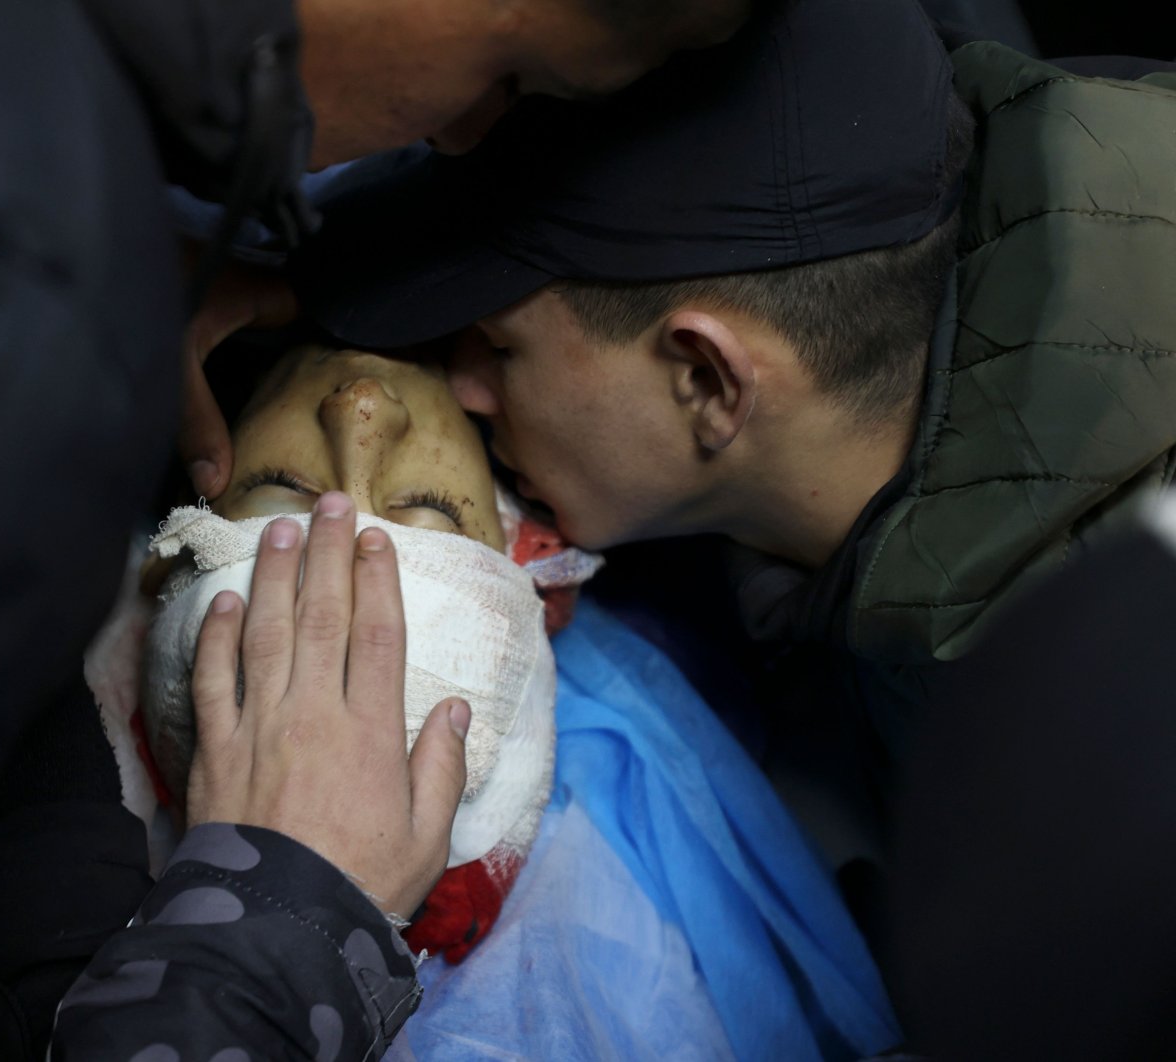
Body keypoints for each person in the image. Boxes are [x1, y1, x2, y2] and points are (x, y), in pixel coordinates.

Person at [0, 0, 759, 1054]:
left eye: (424, 513)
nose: (356, 419)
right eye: (517, 77)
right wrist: (284, 909)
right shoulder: (4, 347)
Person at [287, 0, 1176, 907]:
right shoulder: (938, 140)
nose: (460, 388)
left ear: (710, 382)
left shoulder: (1109, 727)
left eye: (498, 347)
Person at [58, 343, 901, 1060]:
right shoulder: (49, 847)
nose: (360, 409)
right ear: (166, 563)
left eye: (424, 513)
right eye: (282, 494)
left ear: (538, 579)